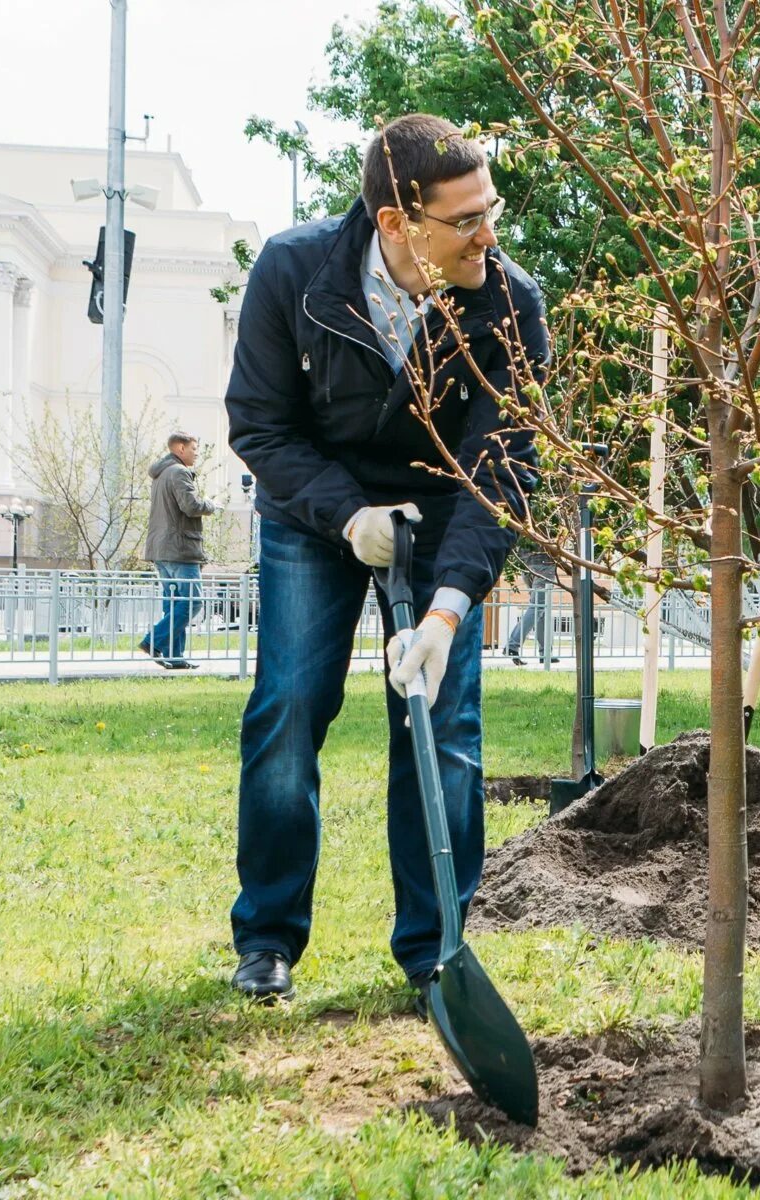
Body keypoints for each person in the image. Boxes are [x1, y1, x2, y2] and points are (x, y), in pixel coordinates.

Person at [224, 113, 547, 1005]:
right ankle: (268, 938)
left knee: (441, 732)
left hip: (446, 512)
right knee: (289, 706)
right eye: (467, 219)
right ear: (400, 224)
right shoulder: (295, 272)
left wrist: (446, 610)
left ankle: (436, 950)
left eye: (493, 209)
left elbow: (501, 468)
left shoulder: (509, 303)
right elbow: (259, 423)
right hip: (313, 513)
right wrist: (347, 516)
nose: (489, 234)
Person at [138, 432, 219, 669]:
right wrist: (212, 505)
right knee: (193, 601)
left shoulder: (161, 473)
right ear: (181, 448)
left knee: (174, 604)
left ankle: (175, 657)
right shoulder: (179, 472)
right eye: (194, 448)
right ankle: (153, 640)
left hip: (162, 550)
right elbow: (191, 506)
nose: (197, 453)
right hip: (180, 549)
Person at [504, 548, 559, 666]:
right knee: (538, 607)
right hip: (544, 564)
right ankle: (512, 646)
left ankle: (545, 653)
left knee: (540, 610)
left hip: (526, 564)